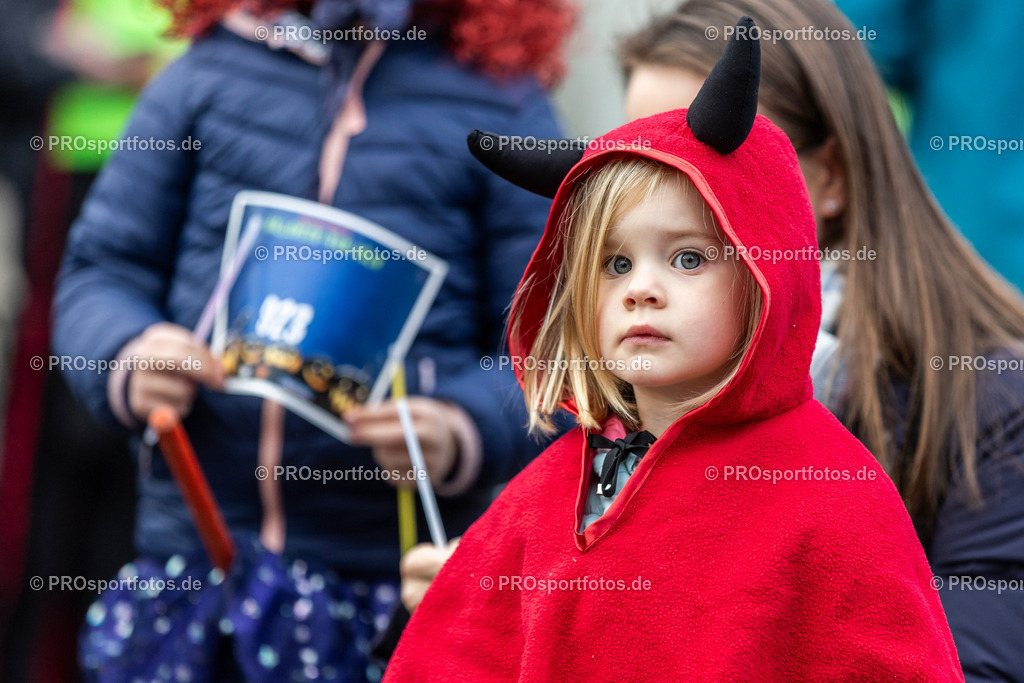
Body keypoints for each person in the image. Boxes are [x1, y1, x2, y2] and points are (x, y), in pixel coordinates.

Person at [385, 21, 961, 679]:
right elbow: (449, 660)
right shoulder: (543, 495)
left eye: (687, 257)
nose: (642, 290)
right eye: (614, 263)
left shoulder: (831, 494)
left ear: (760, 265)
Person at [52, 0, 571, 680]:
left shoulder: (504, 102)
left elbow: (557, 348)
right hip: (192, 563)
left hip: (387, 588)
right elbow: (101, 269)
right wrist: (127, 351)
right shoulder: (202, 75)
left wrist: (463, 424)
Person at [619, 1, 1024, 677]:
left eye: (714, 163)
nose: (665, 209)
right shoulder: (623, 381)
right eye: (640, 167)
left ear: (829, 176)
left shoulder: (990, 406)